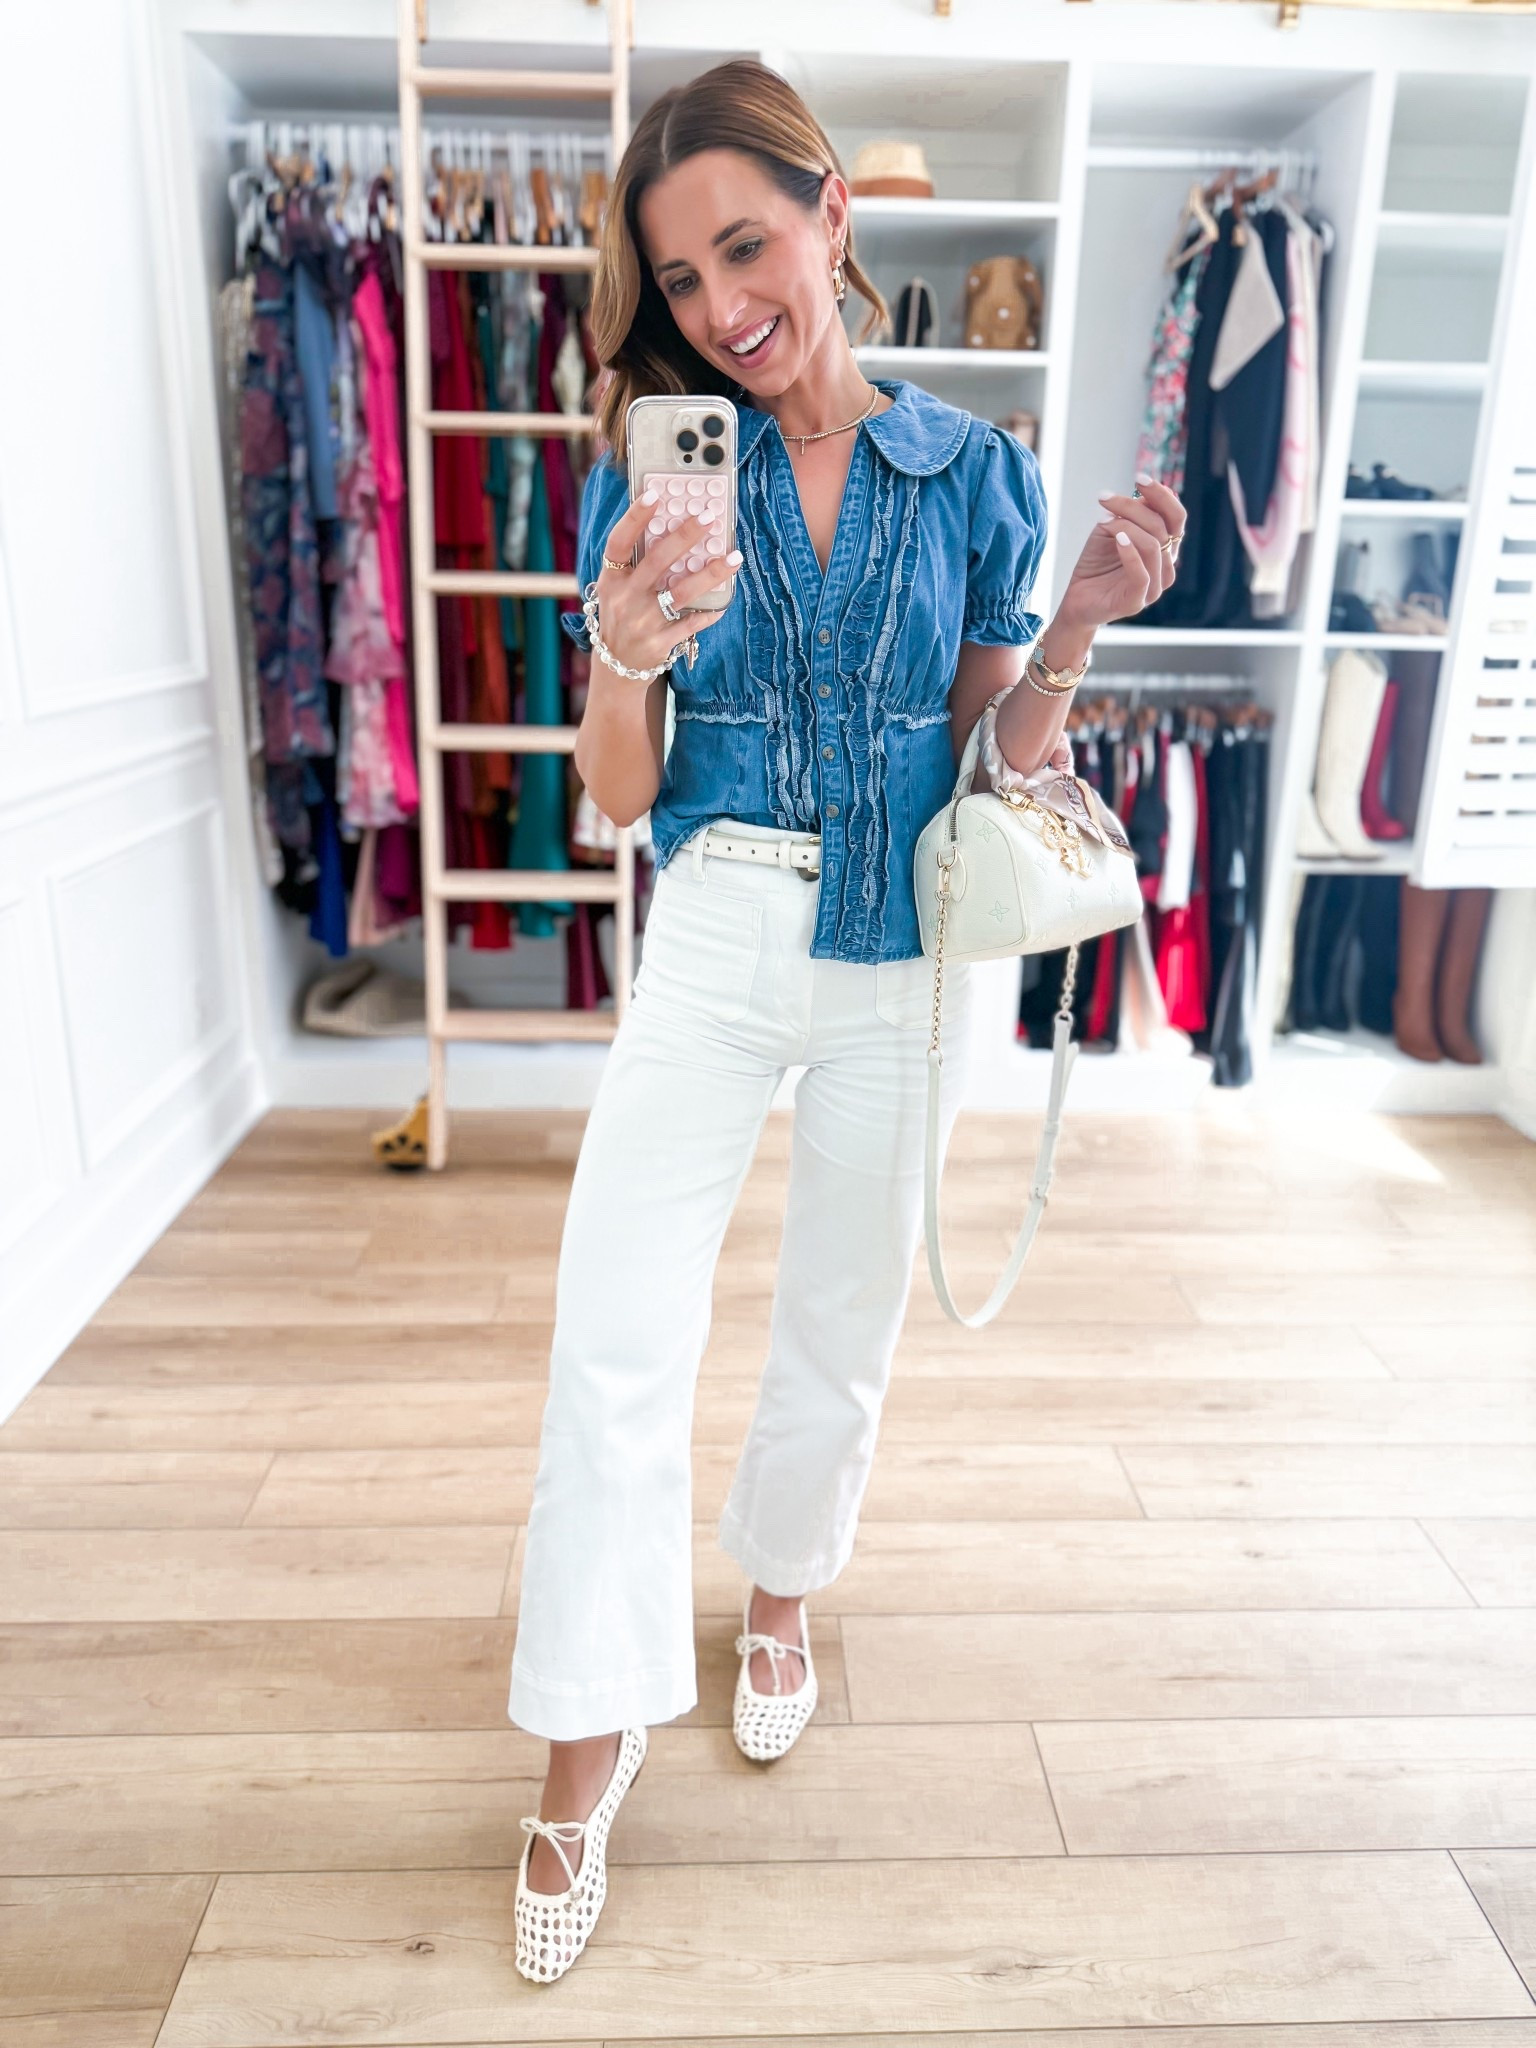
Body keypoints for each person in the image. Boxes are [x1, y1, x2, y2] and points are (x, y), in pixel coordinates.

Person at [506, 56, 1184, 1983]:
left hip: (900, 946)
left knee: (838, 1319)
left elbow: (987, 764)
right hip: (715, 931)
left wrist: (1080, 628)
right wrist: (624, 653)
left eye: (746, 245)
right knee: (613, 1336)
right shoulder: (651, 474)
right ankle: (587, 1732)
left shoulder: (975, 474)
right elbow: (624, 794)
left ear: (831, 219)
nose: (726, 306)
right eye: (686, 280)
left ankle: (780, 1598)